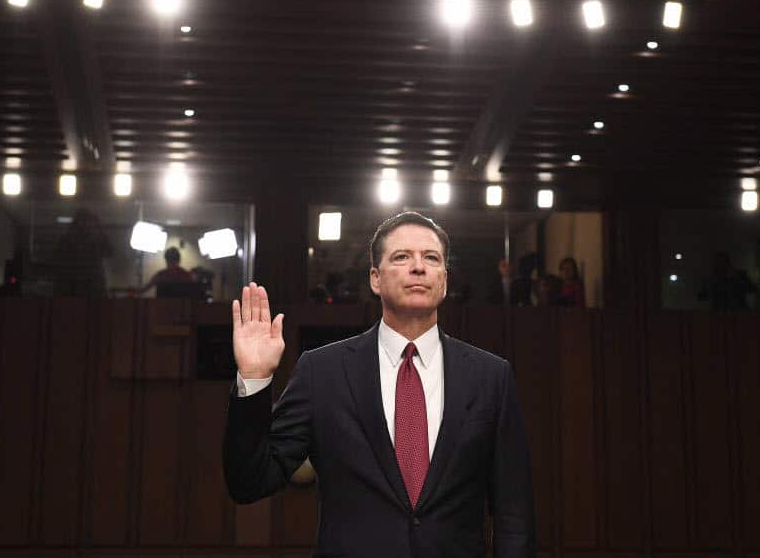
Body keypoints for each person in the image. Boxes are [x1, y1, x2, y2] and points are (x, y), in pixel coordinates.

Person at [223, 211, 536, 557]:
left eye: (431, 258)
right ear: (375, 278)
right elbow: (248, 482)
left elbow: (514, 513)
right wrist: (254, 378)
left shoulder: (491, 376)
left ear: (444, 281)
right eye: (402, 257)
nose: (418, 267)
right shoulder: (322, 371)